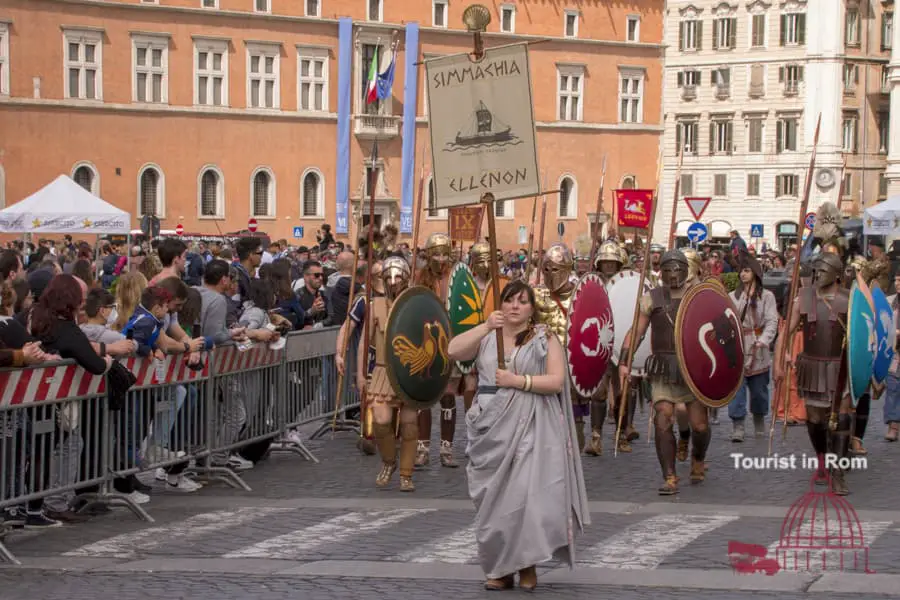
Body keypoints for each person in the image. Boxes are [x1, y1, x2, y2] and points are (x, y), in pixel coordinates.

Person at [448, 279, 589, 591]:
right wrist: (484, 327)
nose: (515, 306)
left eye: (522, 301)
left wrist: (517, 380)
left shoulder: (543, 338)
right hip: (489, 424)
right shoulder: (488, 337)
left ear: (531, 309)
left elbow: (555, 381)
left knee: (523, 497)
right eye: (510, 300)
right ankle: (499, 568)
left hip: (530, 422)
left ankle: (527, 563)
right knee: (493, 501)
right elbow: (452, 349)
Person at [619, 250, 708, 495]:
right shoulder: (652, 298)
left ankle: (698, 458)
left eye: (676, 269)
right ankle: (669, 476)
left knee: (699, 425)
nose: (672, 274)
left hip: (692, 367)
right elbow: (636, 331)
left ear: (685, 269)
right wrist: (625, 362)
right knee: (663, 416)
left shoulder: (698, 296)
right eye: (666, 269)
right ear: (661, 272)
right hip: (662, 368)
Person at [774, 251, 851, 495]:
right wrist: (780, 360)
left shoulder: (850, 299)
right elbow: (786, 332)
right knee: (816, 420)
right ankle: (822, 459)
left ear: (837, 274)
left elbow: (863, 335)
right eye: (815, 270)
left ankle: (838, 472)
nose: (818, 275)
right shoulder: (804, 298)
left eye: (823, 270)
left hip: (841, 366)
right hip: (814, 367)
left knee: (842, 417)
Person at [356, 256, 417, 491]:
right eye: (389, 277)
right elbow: (364, 343)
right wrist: (361, 374)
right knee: (381, 422)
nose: (393, 281)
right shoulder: (375, 306)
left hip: (411, 372)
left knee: (410, 425)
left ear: (406, 277)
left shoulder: (416, 304)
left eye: (398, 276)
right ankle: (389, 462)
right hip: (382, 371)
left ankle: (406, 473)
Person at [414, 233, 459, 468]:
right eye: (436, 254)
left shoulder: (456, 278)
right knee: (424, 398)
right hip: (426, 344)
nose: (441, 259)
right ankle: (422, 447)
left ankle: (446, 448)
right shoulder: (420, 279)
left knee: (448, 396)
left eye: (444, 254)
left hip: (450, 344)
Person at [728, 252, 778, 441]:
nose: (743, 274)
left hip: (759, 347)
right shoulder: (733, 296)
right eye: (741, 271)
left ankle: (758, 421)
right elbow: (728, 320)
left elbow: (772, 321)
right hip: (738, 346)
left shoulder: (767, 297)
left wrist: (764, 340)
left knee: (759, 391)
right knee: (737, 389)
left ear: (755, 273)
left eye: (747, 271)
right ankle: (738, 425)